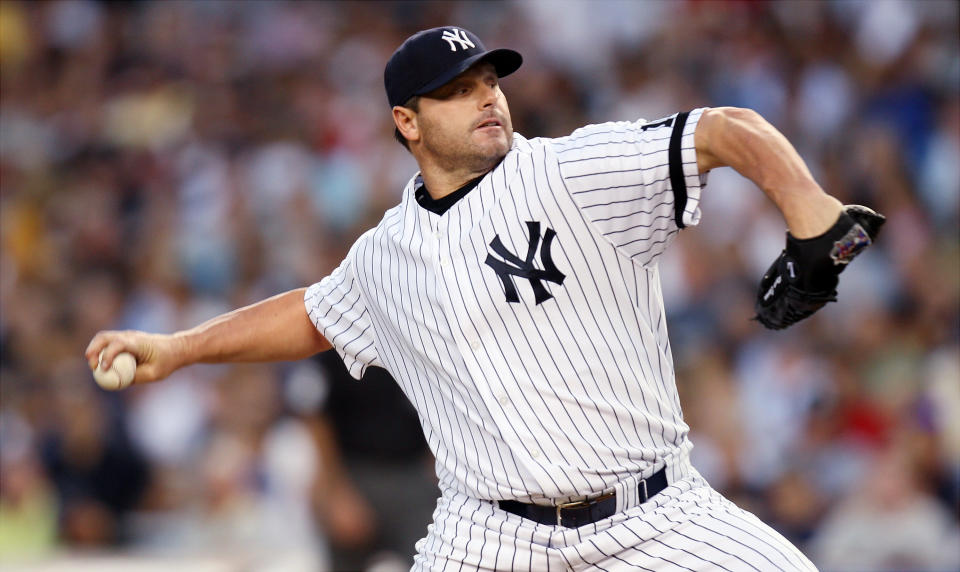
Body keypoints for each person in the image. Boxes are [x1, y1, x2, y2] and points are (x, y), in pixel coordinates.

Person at [87, 26, 878, 570]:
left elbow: (723, 129)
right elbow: (311, 315)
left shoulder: (570, 173)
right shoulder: (385, 254)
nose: (488, 98)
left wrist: (811, 215)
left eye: (489, 81)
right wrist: (178, 348)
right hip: (491, 533)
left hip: (653, 514)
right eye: (459, 91)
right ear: (407, 121)